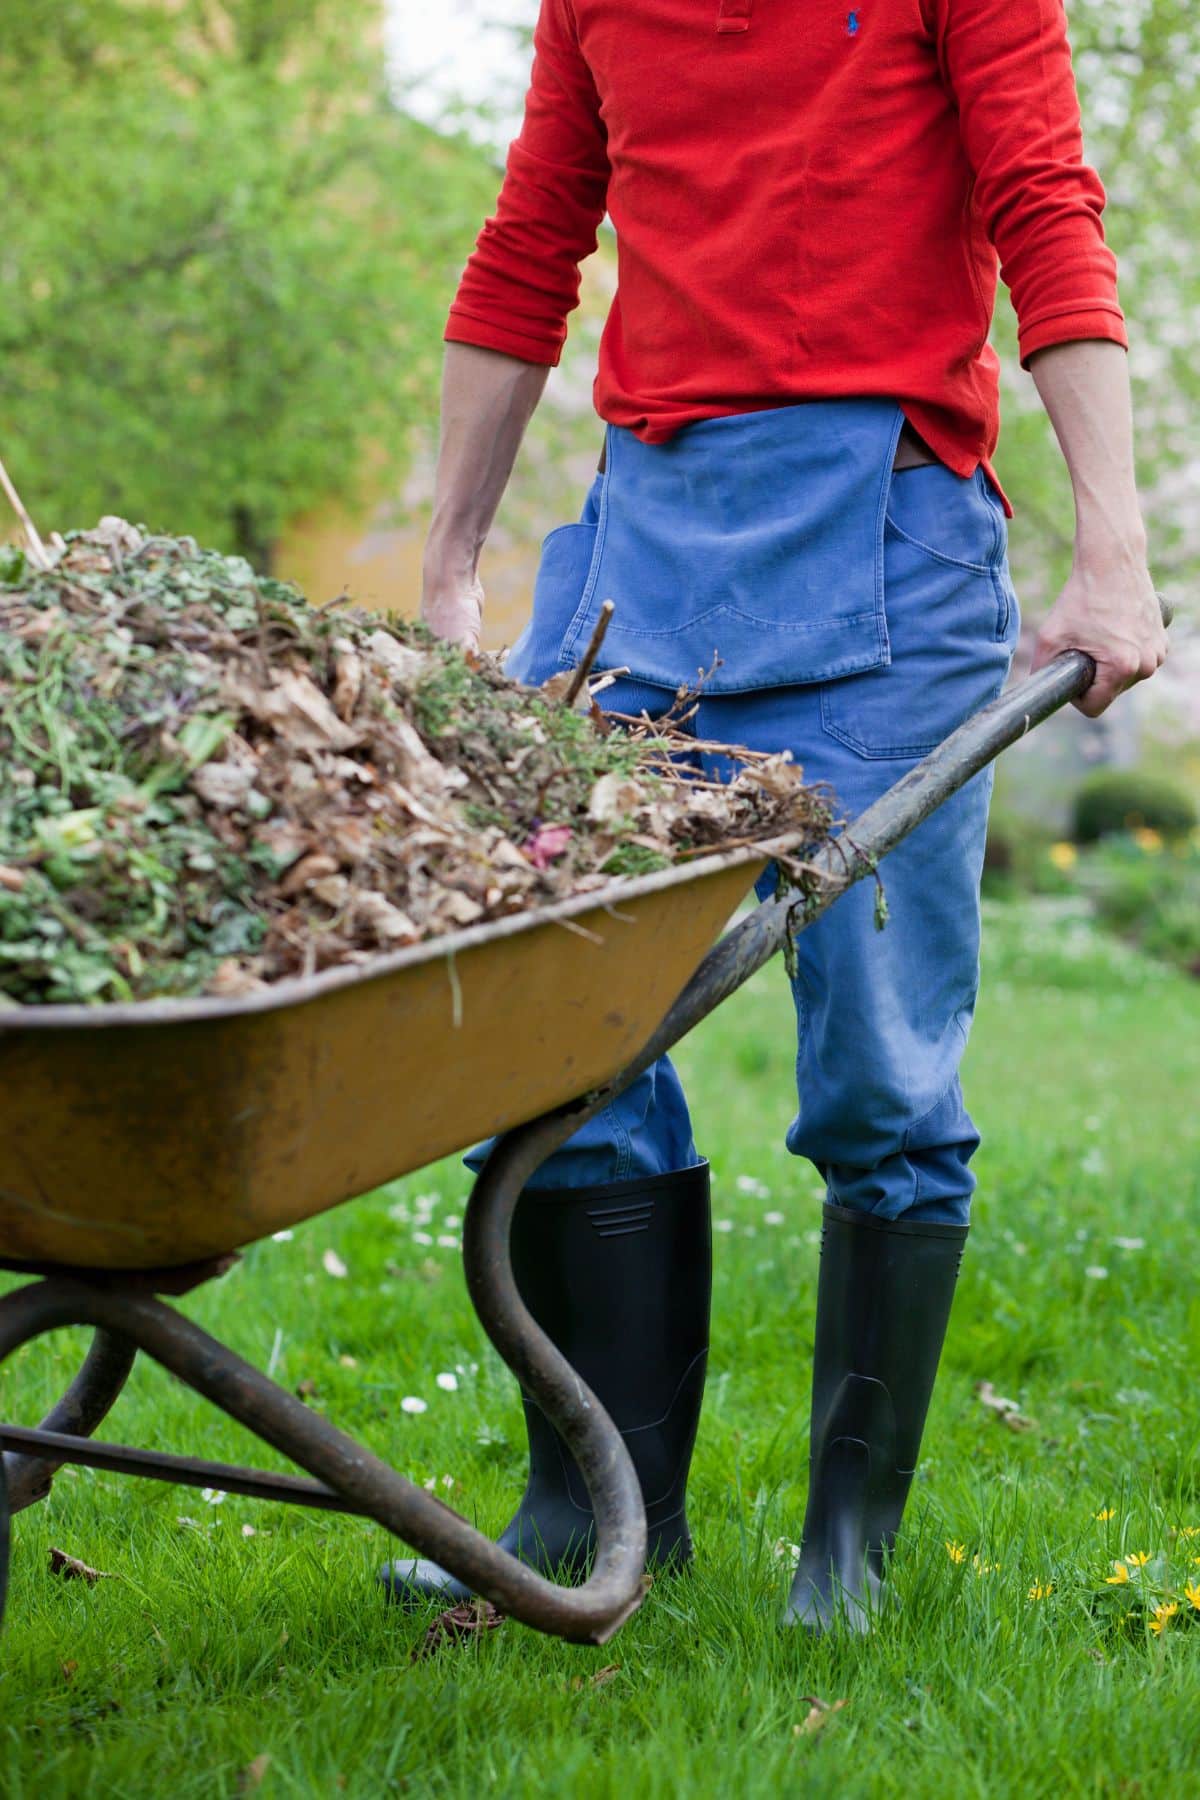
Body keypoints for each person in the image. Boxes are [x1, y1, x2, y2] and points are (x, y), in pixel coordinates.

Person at [383, 0, 1166, 1630]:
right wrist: (452, 565)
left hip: (886, 542)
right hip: (640, 543)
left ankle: (845, 1557)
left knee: (882, 1074)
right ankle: (602, 1505)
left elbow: (1046, 204)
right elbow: (532, 234)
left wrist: (1117, 551)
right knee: (557, 1030)